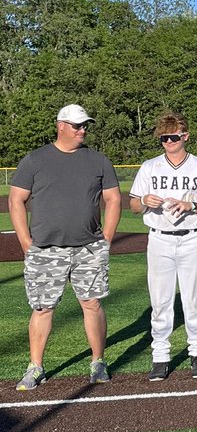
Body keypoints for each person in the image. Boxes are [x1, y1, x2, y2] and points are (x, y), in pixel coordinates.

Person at [9, 104, 121, 390]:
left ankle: (98, 362)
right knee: (43, 307)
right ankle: (35, 367)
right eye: (77, 125)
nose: (82, 129)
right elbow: (16, 200)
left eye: (85, 125)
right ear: (61, 125)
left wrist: (106, 238)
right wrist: (25, 240)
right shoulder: (34, 160)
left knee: (92, 304)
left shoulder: (99, 161)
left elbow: (113, 199)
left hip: (88, 248)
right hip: (46, 250)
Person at [129, 112, 197, 381]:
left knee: (194, 298)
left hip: (192, 236)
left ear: (185, 137)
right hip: (159, 237)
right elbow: (134, 205)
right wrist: (145, 199)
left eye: (172, 137)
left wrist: (191, 205)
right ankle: (160, 356)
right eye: (163, 138)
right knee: (160, 300)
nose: (168, 142)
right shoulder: (150, 167)